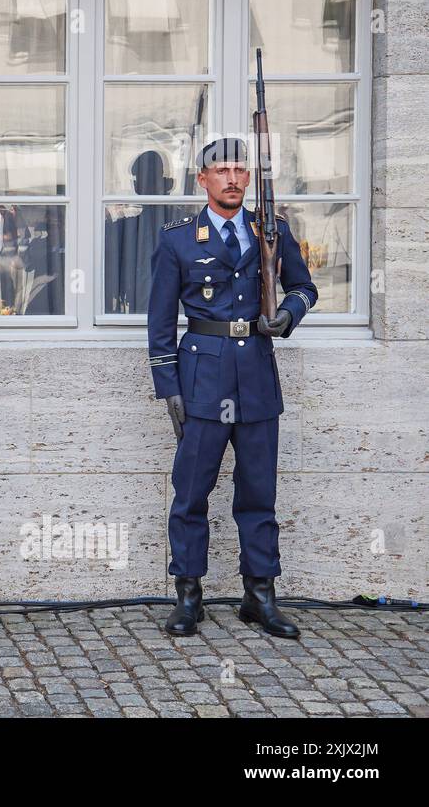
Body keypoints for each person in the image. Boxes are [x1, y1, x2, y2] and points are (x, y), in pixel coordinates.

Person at [147, 137, 318, 639]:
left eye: (240, 169)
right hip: (202, 377)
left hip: (258, 377)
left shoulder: (273, 229)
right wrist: (168, 387)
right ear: (202, 179)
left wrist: (287, 316)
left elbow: (305, 288)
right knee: (192, 492)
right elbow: (159, 322)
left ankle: (259, 595)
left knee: (259, 491)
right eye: (221, 170)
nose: (233, 178)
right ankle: (188, 595)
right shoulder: (178, 240)